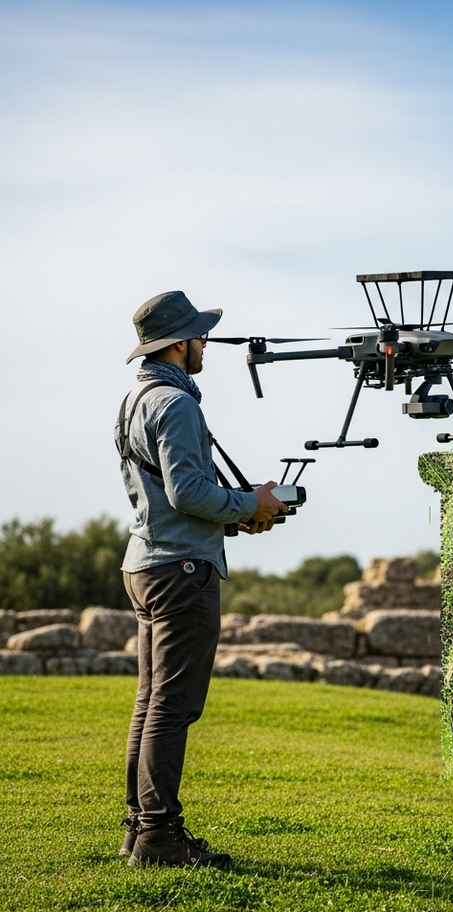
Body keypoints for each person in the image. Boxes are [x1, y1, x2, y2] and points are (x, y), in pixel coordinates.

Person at [117, 290, 287, 868]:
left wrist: (241, 516)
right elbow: (188, 492)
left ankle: (140, 829)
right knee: (173, 704)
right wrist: (249, 502)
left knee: (151, 702)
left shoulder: (135, 400)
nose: (206, 343)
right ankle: (160, 838)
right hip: (181, 570)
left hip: (146, 562)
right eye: (199, 335)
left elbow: (167, 496)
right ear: (178, 344)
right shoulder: (178, 404)